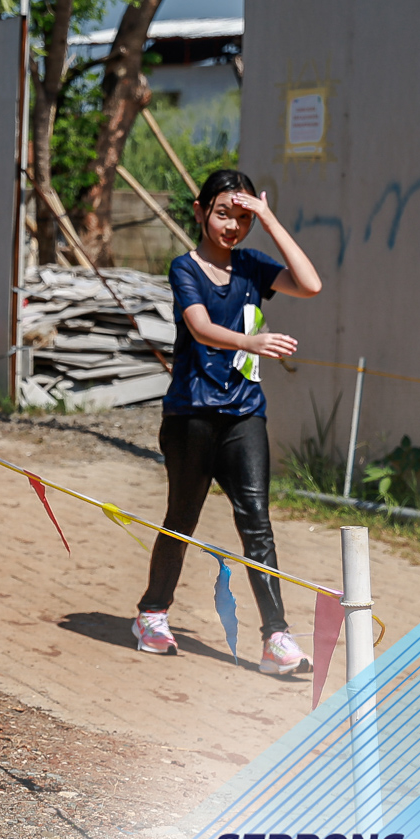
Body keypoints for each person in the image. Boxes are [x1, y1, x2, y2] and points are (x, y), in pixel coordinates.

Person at [132, 168, 323, 675]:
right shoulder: (185, 268)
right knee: (182, 519)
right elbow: (199, 327)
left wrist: (269, 218)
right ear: (200, 212)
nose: (232, 227)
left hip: (244, 415)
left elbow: (310, 284)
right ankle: (152, 613)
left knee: (257, 522)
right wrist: (250, 342)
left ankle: (275, 638)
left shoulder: (253, 267)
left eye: (243, 218)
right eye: (222, 214)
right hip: (191, 415)